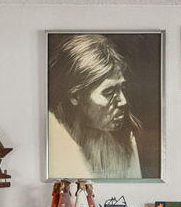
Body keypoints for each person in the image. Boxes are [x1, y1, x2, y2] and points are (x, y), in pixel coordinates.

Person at [48, 33, 151, 178]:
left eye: (121, 88)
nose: (123, 101)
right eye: (108, 92)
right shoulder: (53, 138)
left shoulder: (124, 140)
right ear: (75, 96)